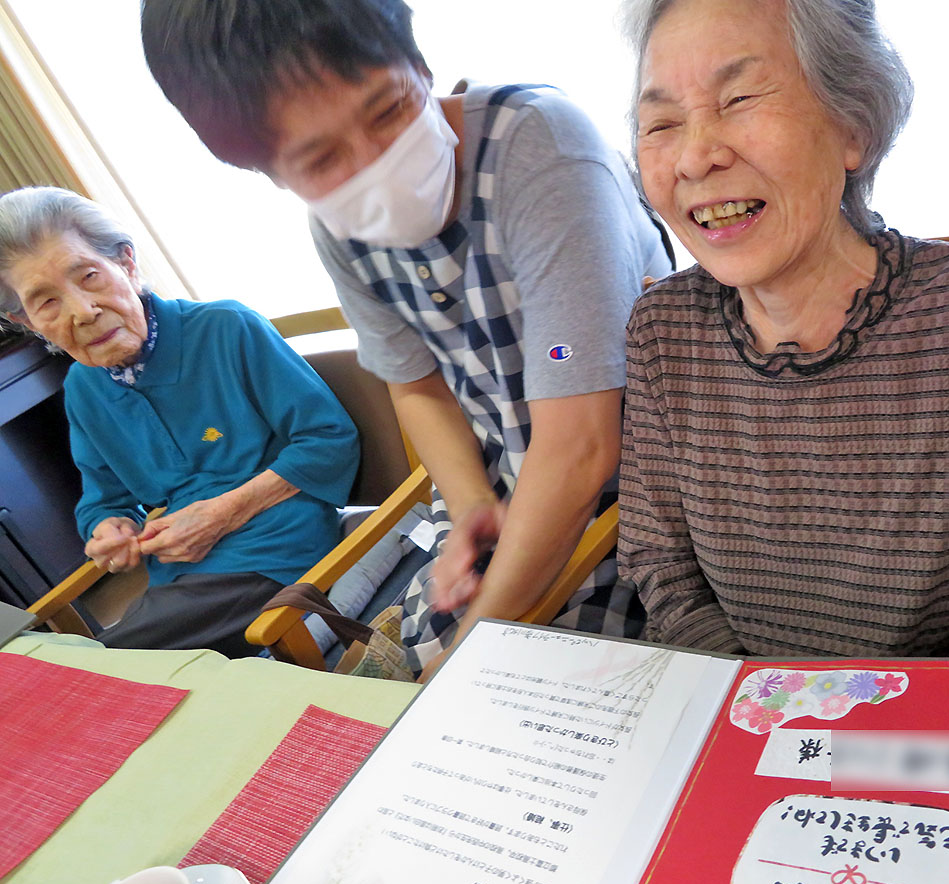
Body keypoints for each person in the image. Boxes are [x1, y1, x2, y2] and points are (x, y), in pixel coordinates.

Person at [140, 0, 673, 679]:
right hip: (511, 493)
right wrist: (473, 504)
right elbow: (416, 385)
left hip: (644, 496)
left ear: (419, 66)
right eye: (322, 158)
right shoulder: (340, 229)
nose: (377, 162)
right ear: (270, 175)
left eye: (389, 109)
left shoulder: (537, 147)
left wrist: (471, 648)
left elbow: (582, 437)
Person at [617, 0, 949, 659]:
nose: (694, 158)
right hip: (737, 717)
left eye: (740, 97)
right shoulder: (663, 333)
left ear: (854, 125)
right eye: (660, 122)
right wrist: (755, 707)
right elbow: (660, 565)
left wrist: (849, 724)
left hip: (934, 738)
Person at [0, 186, 359, 657]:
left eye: (89, 276)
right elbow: (104, 497)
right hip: (182, 574)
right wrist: (109, 528)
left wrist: (221, 513)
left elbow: (329, 438)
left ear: (126, 264)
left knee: (112, 667)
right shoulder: (84, 391)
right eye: (46, 302)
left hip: (280, 549)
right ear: (25, 321)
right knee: (127, 667)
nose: (82, 311)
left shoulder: (228, 328)